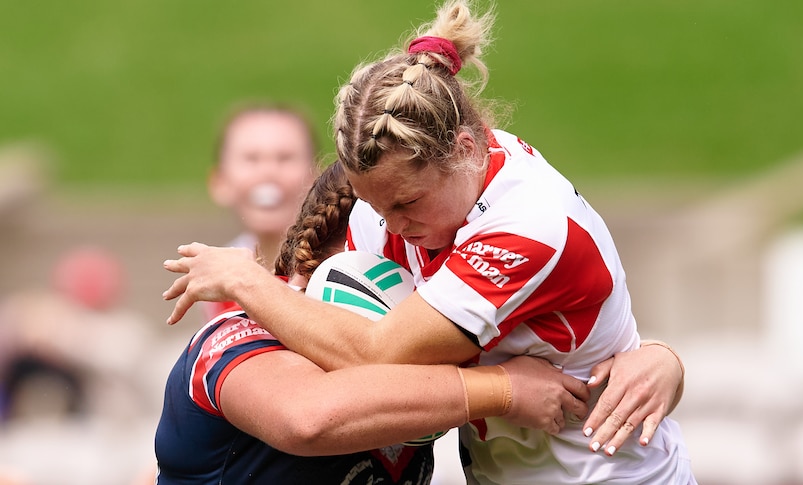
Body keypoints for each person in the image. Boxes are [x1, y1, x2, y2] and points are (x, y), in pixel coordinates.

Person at [162, 1, 694, 483]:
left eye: (407, 204)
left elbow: (377, 351)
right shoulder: (393, 218)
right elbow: (324, 400)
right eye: (377, 207)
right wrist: (507, 388)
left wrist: (246, 280)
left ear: (465, 148)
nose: (392, 228)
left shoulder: (526, 221)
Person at [155, 161, 590, 484]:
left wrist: (650, 361)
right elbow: (309, 417)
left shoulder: (426, 359)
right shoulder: (239, 338)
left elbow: (554, 373)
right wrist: (502, 390)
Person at [202, 103, 319, 321]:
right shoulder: (221, 273)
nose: (268, 172)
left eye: (285, 157)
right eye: (251, 158)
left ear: (316, 178)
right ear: (220, 182)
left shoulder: (337, 268)